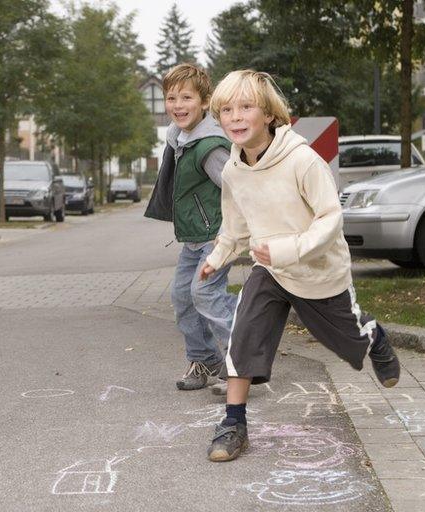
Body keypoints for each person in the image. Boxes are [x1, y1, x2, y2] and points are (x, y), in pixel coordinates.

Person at [200, 70, 401, 462]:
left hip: (317, 269)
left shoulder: (303, 160)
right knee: (244, 333)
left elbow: (330, 218)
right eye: (226, 109)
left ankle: (373, 335)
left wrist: (290, 250)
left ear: (270, 115)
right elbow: (236, 224)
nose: (235, 117)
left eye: (246, 107)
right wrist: (217, 257)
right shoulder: (233, 170)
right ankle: (233, 423)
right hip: (269, 270)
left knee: (344, 340)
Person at [144, 63, 236, 393]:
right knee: (182, 297)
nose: (178, 105)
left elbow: (236, 187)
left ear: (205, 101)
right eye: (171, 98)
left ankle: (240, 363)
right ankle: (204, 359)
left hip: (218, 236)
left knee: (205, 294)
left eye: (187, 97)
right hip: (194, 238)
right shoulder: (179, 138)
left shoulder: (210, 145)